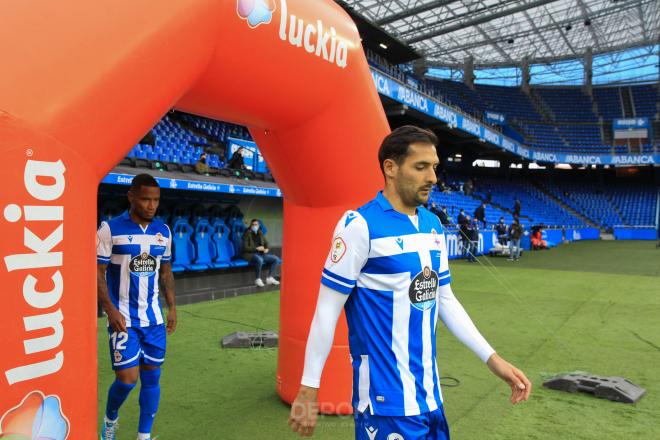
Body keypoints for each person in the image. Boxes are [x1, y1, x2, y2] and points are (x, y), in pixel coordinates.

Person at [288, 125, 531, 439]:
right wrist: (309, 389)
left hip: (430, 398)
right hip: (385, 404)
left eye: (434, 167)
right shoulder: (359, 225)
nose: (432, 177)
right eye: (421, 167)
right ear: (390, 168)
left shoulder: (432, 225)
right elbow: (326, 312)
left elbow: (445, 300)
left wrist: (493, 359)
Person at [97, 173, 177, 440]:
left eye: (155, 200)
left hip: (153, 320)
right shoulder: (109, 229)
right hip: (123, 320)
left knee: (152, 379)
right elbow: (97, 272)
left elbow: (166, 272)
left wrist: (172, 308)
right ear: (131, 197)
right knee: (127, 380)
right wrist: (110, 310)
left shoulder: (163, 232)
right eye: (145, 199)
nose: (151, 205)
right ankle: (110, 418)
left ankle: (144, 436)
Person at [242, 218, 281, 287]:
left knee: (276, 259)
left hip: (261, 254)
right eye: (253, 225)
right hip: (250, 254)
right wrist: (256, 248)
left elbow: (267, 243)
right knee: (260, 260)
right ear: (250, 226)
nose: (254, 226)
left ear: (259, 225)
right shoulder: (247, 234)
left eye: (256, 224)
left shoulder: (260, 233)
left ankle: (269, 278)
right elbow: (245, 247)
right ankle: (257, 279)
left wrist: (266, 249)